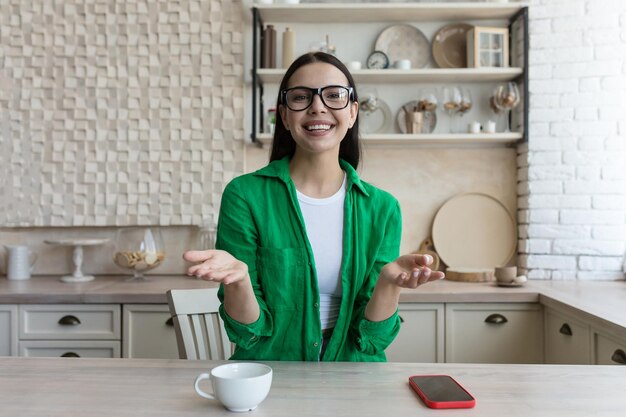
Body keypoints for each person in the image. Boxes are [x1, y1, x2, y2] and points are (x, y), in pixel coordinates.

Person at [184, 52, 444, 362]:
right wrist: (239, 281)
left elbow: (373, 340)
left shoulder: (383, 208)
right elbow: (247, 332)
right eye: (300, 97)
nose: (317, 106)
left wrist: (389, 284)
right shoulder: (245, 195)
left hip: (354, 380)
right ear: (284, 115)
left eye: (334, 95)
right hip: (271, 374)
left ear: (352, 113)